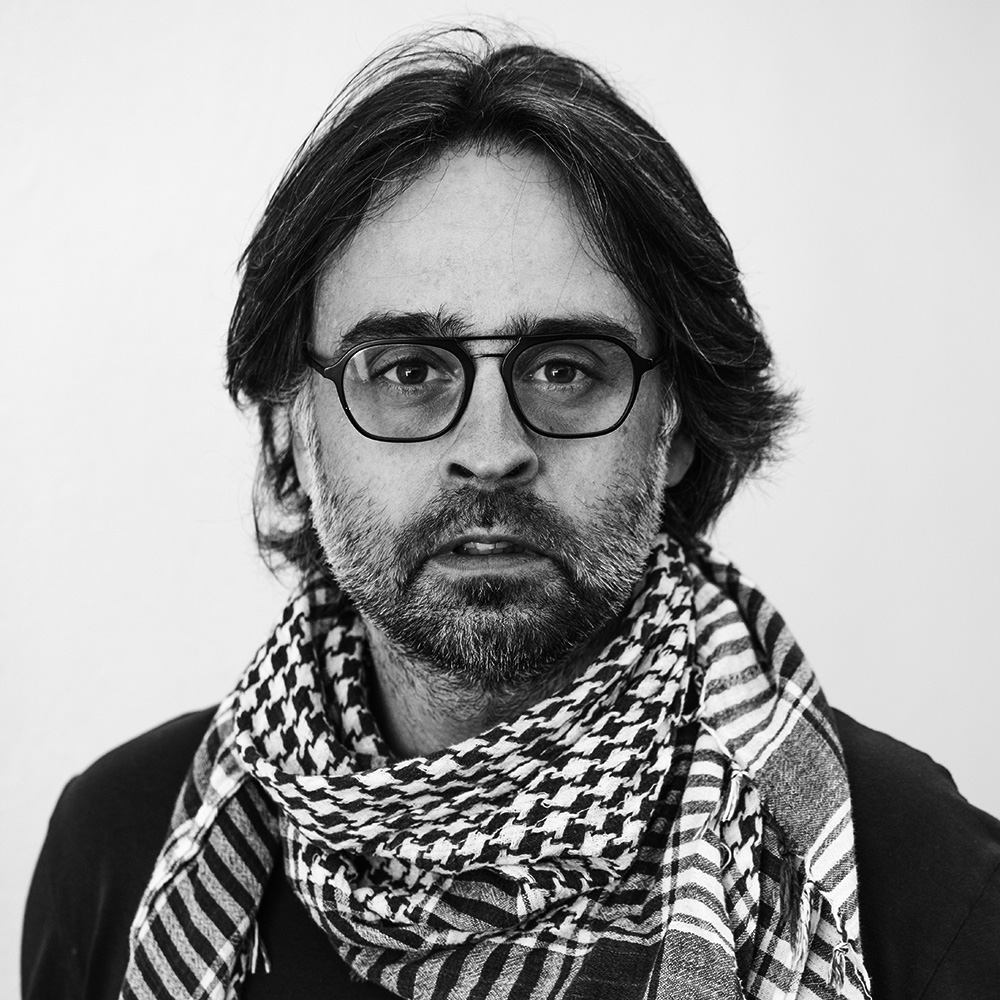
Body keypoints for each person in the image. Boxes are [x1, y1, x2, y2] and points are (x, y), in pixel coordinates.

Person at [22, 27, 1000, 1000]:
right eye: (407, 371)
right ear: (292, 430)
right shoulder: (120, 849)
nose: (491, 449)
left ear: (678, 424)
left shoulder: (922, 884)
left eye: (566, 369)